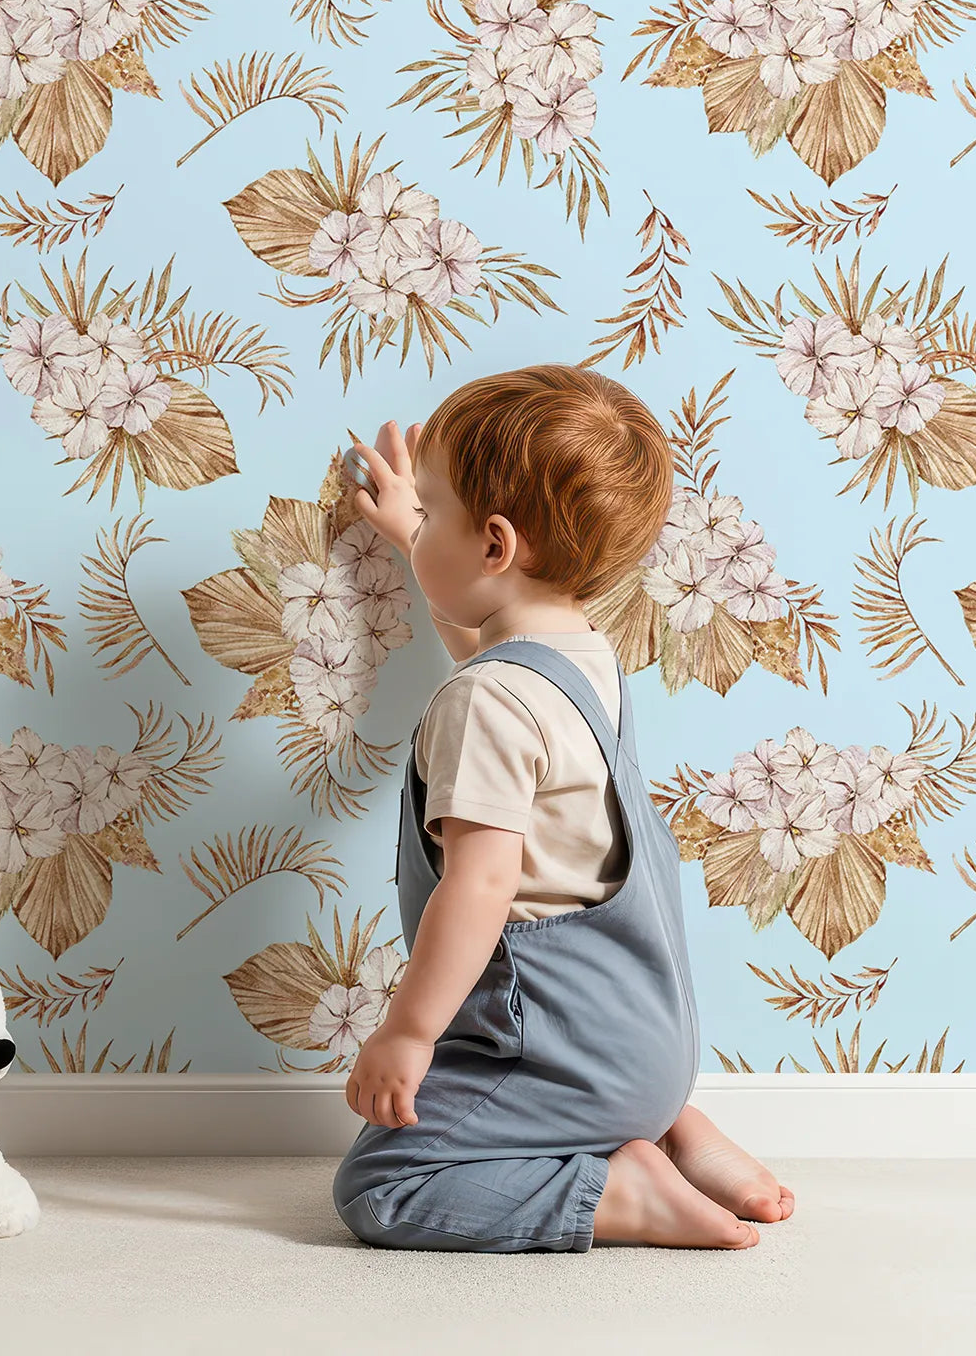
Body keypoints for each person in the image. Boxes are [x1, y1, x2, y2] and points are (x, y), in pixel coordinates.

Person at [334, 365, 794, 1253]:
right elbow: (481, 636)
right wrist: (414, 538)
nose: (415, 525)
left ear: (496, 547)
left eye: (428, 514)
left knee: (382, 1185)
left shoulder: (488, 703)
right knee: (565, 1096)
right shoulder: (582, 661)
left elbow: (479, 887)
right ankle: (675, 1131)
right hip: (645, 1041)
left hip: (556, 1057)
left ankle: (622, 1190)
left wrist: (407, 1030)